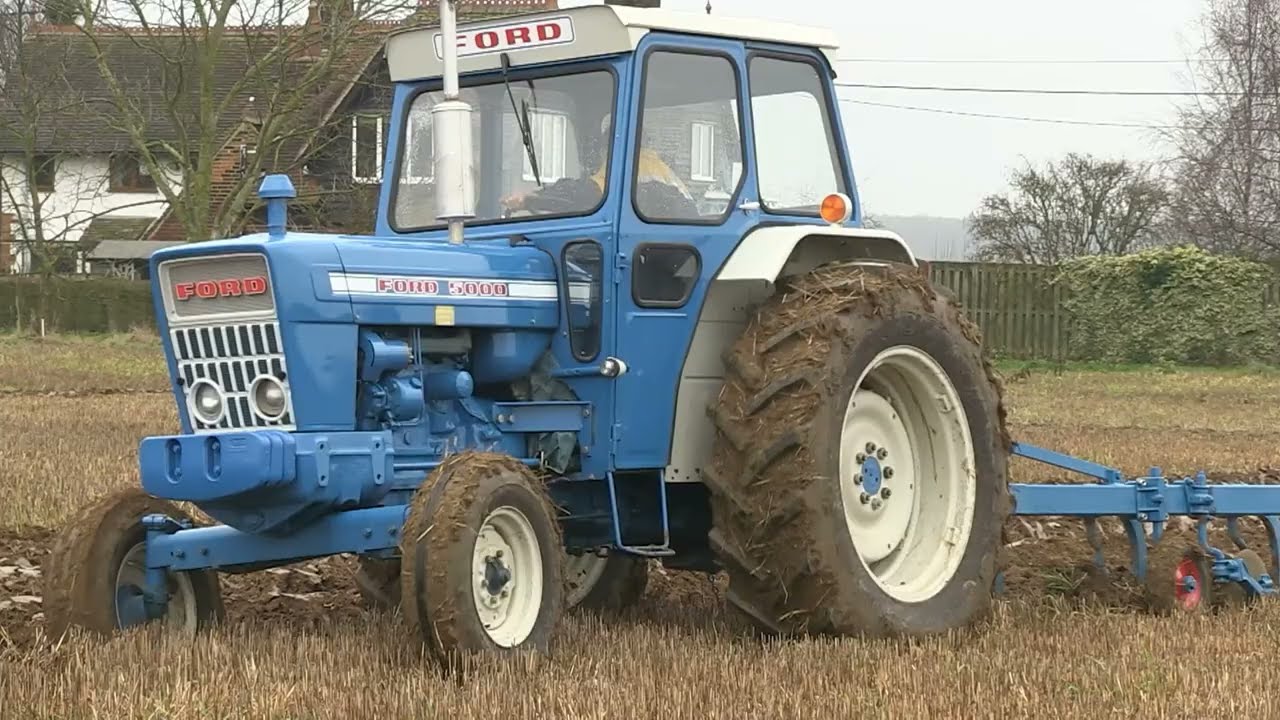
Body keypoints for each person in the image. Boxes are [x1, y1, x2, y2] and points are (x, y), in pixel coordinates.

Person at [500, 113, 695, 214]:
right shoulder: (663, 170)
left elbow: (586, 193)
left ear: (606, 149)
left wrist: (528, 199)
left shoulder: (624, 166)